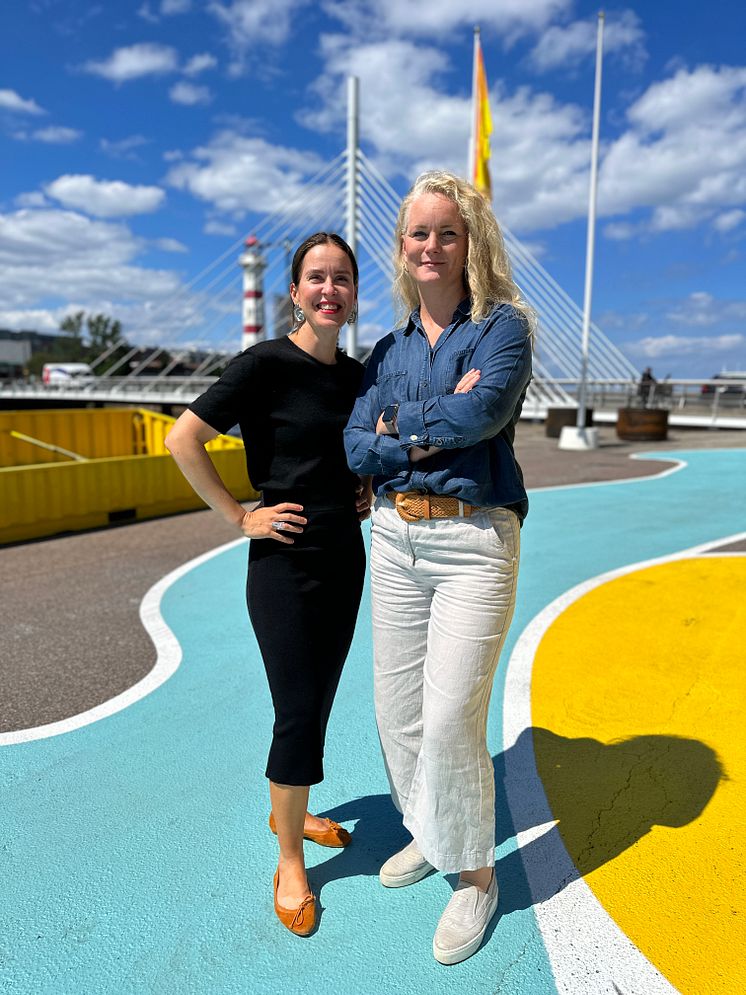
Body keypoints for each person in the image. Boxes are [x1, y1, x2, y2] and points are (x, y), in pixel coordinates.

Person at [344, 171, 534, 965]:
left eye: (445, 232)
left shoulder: (503, 328)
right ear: (402, 248)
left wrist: (401, 424)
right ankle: (431, 828)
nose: (430, 245)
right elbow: (356, 446)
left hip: (472, 541)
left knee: (454, 713)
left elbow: (485, 409)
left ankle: (476, 874)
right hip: (392, 538)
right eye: (417, 233)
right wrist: (425, 425)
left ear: (469, 243)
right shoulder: (384, 349)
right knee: (399, 711)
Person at [165, 232, 369, 938]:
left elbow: (349, 451)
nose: (329, 289)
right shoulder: (263, 365)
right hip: (283, 563)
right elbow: (181, 439)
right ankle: (288, 857)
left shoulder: (356, 376)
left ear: (351, 291)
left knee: (318, 701)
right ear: (294, 290)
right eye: (317, 277)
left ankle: (295, 806)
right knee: (295, 708)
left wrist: (362, 486)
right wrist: (238, 517)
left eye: (341, 278)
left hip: (345, 555)